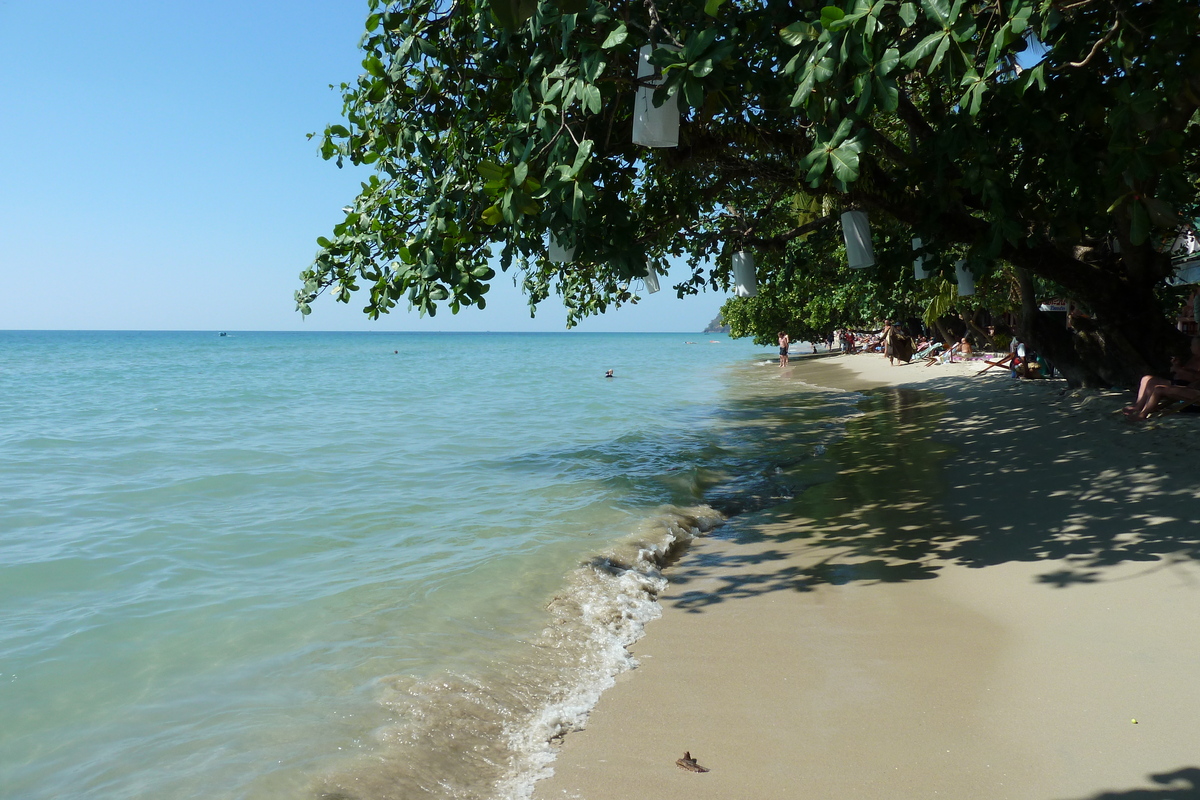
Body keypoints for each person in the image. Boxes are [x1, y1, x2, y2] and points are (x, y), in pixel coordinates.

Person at [1124, 336, 1200, 418]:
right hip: (1179, 382)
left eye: (1193, 345)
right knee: (1147, 379)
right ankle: (1138, 407)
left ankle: (1143, 414)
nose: (1190, 347)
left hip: (1189, 386)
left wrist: (1179, 370)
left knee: (1158, 389)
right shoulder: (1194, 358)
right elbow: (1187, 371)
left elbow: (1196, 377)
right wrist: (1177, 365)